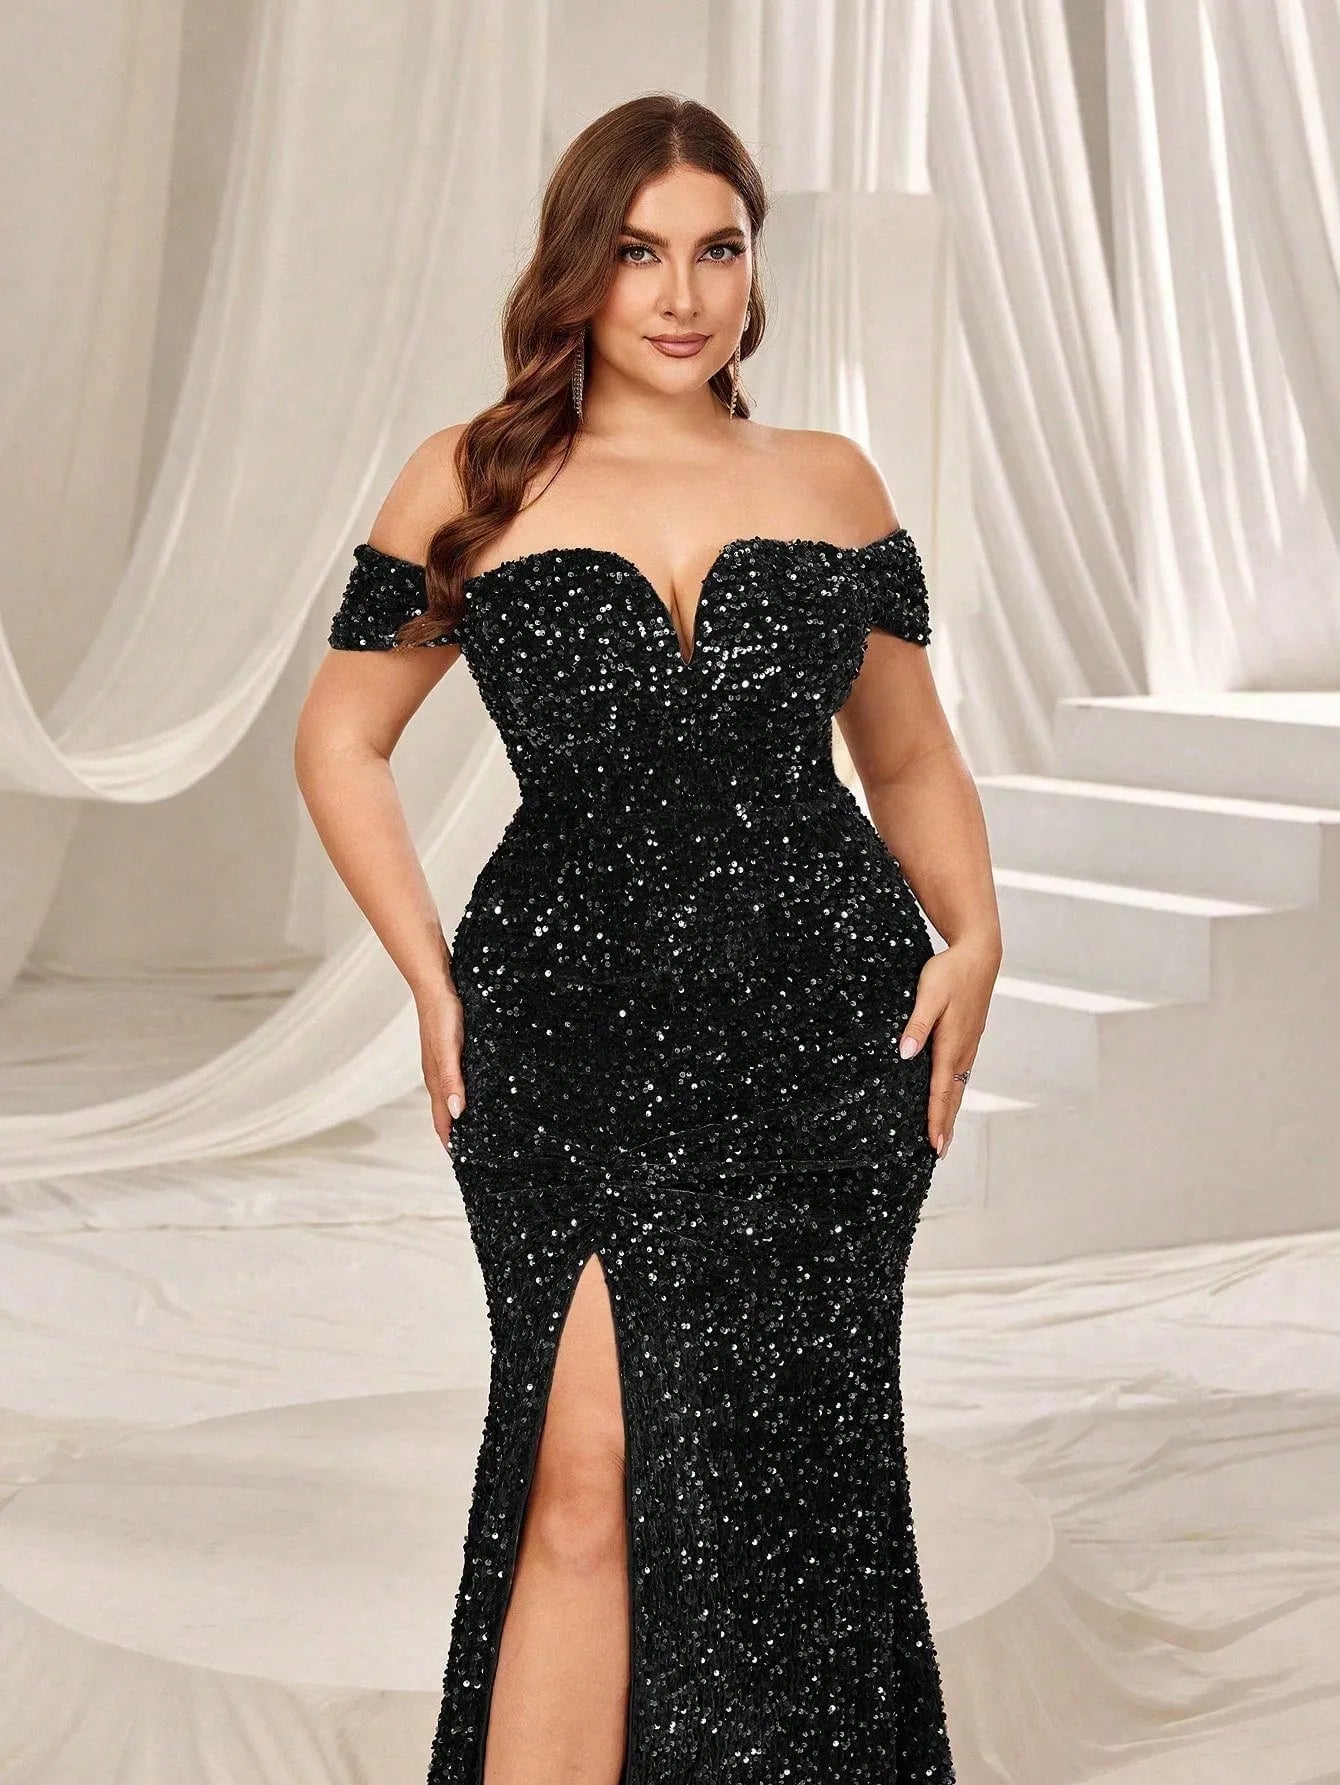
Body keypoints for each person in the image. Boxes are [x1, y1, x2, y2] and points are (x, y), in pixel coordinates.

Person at [296, 92, 999, 1785]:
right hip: (568, 1033)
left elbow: (906, 754)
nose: (682, 295)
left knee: (797, 1479)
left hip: (828, 1039)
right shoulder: (475, 476)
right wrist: (428, 979)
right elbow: (339, 740)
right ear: (578, 269)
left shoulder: (830, 480)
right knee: (579, 1465)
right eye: (637, 252)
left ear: (755, 268)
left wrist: (976, 936)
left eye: (718, 250)